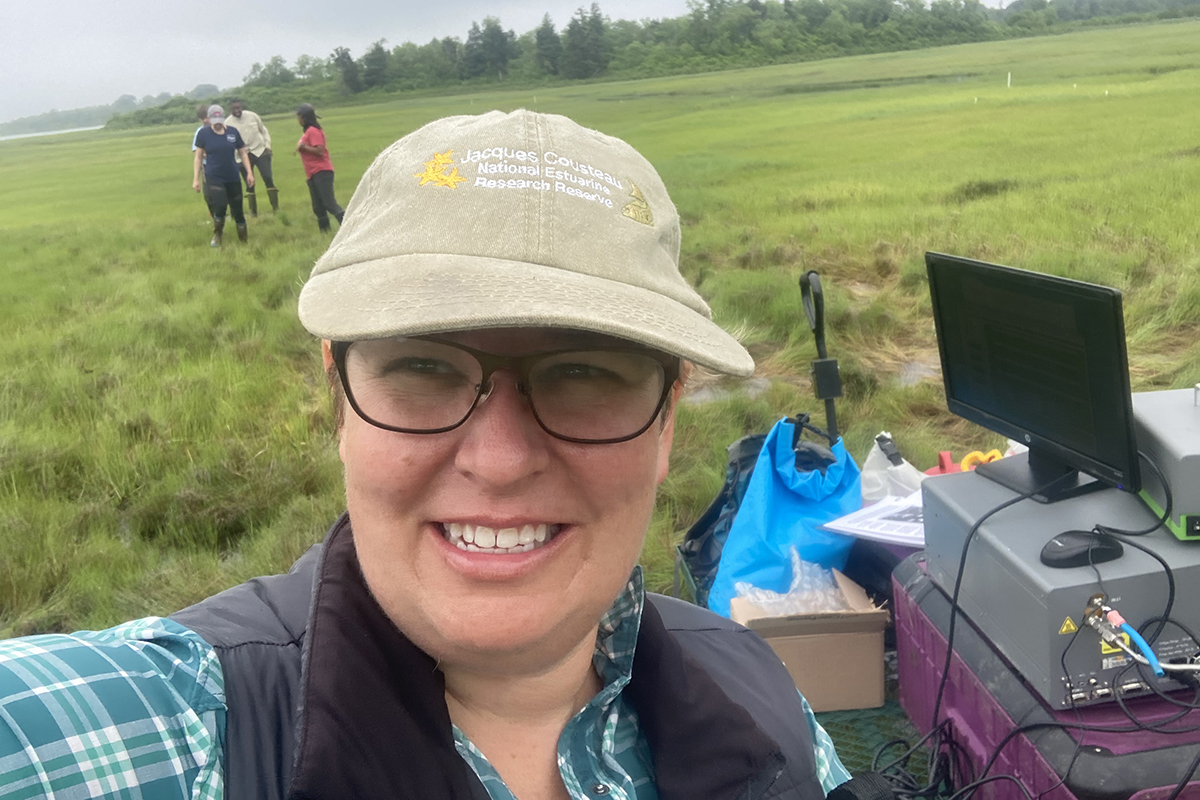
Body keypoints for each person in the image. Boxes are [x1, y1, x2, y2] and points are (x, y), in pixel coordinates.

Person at [0, 110, 851, 799]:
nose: (502, 458)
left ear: (667, 421)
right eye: (422, 368)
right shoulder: (163, 729)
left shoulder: (757, 688)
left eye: (585, 373)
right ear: (340, 401)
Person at [193, 104, 252, 247]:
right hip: (214, 176)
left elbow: (243, 152)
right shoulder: (203, 134)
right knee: (220, 205)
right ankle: (217, 235)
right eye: (215, 120)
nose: (218, 124)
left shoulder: (232, 132)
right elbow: (198, 157)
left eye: (220, 120)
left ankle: (244, 241)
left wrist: (249, 172)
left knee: (238, 209)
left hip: (232, 175)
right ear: (210, 119)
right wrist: (196, 179)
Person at [295, 102, 344, 232]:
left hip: (321, 171)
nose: (298, 120)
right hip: (312, 173)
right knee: (318, 207)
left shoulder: (313, 131)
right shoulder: (308, 132)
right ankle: (325, 232)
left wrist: (303, 147)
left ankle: (347, 225)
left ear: (304, 118)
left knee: (329, 203)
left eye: (299, 117)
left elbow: (320, 151)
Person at [230, 98, 278, 216]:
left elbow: (264, 131)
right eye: (234, 108)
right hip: (242, 156)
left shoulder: (252, 116)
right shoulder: (228, 123)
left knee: (268, 178)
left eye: (238, 108)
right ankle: (253, 212)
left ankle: (276, 209)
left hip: (259, 151)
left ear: (242, 107)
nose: (237, 111)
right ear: (230, 109)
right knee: (249, 183)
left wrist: (267, 146)